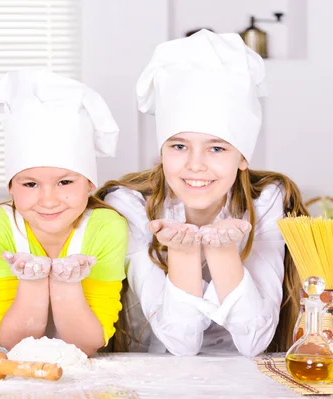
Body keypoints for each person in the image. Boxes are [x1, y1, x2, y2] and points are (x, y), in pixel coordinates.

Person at [96, 29, 307, 357]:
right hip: (154, 370)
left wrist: (222, 252)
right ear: (162, 150)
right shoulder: (129, 204)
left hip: (247, 374)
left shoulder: (266, 200)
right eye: (179, 146)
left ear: (243, 156)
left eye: (217, 148)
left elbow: (255, 341)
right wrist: (183, 253)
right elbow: (180, 343)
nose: (196, 165)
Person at [0, 68, 128, 356]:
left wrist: (66, 284)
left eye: (65, 182)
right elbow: (13, 343)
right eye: (30, 183)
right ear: (10, 186)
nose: (48, 200)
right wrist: (31, 282)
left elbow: (86, 344)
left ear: (90, 183)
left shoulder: (106, 228)